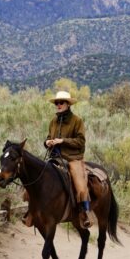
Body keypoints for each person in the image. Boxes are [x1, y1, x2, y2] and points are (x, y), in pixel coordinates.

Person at [44, 90, 92, 227]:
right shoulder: (53, 121)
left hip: (72, 158)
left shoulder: (77, 121)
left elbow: (81, 141)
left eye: (61, 102)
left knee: (81, 186)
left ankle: (84, 212)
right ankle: (33, 211)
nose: (58, 105)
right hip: (55, 157)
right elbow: (49, 136)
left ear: (68, 104)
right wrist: (48, 142)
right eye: (57, 103)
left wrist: (62, 141)